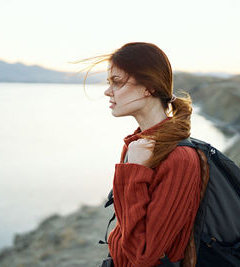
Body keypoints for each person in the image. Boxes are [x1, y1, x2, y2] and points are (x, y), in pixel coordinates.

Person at [83, 42, 202, 267]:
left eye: (117, 82)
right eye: (110, 82)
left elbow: (144, 255)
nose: (108, 91)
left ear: (148, 87)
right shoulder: (137, 145)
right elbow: (128, 225)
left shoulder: (180, 158)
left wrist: (136, 172)